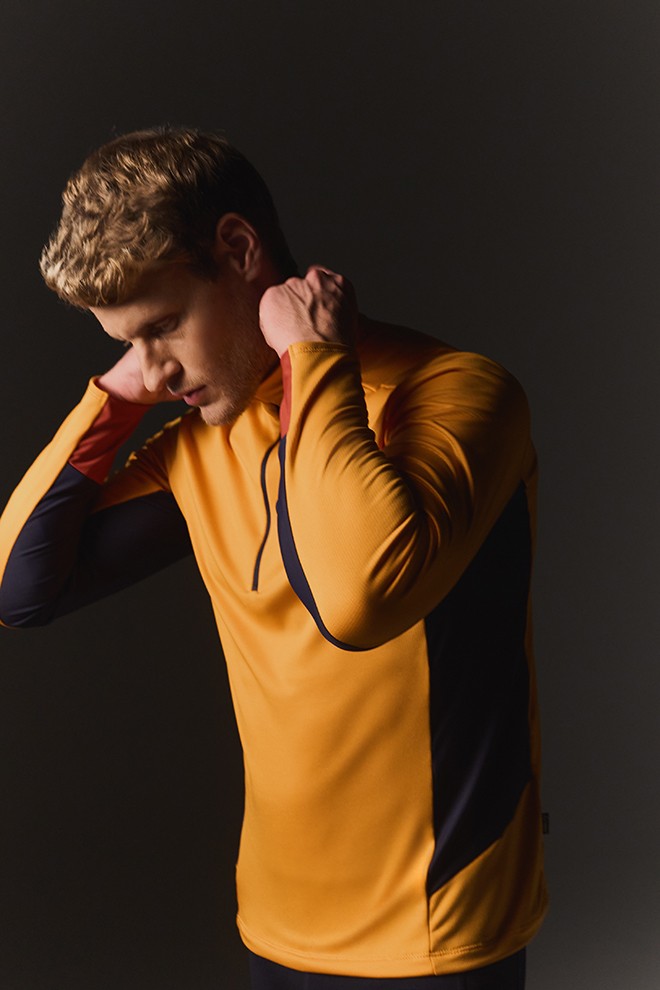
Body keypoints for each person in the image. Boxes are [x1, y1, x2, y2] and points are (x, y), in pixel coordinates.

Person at [0, 127, 547, 989]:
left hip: (438, 934)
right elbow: (20, 587)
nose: (158, 371)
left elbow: (357, 598)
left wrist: (315, 362)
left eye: (164, 326)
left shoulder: (459, 393)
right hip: (276, 923)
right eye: (129, 343)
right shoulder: (198, 446)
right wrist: (110, 400)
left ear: (239, 249)